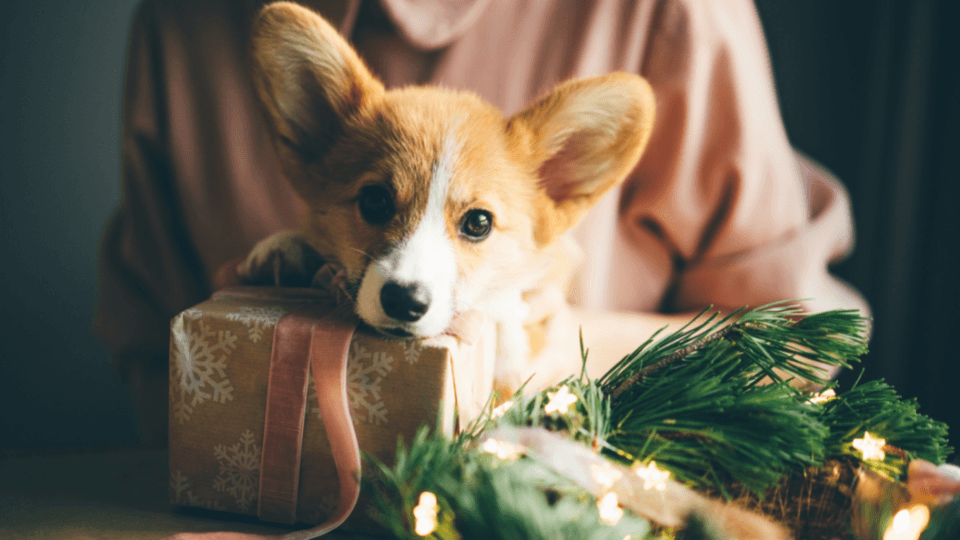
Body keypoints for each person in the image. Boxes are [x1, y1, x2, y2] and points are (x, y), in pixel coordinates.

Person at [97, 0, 870, 446]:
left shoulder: (669, 13)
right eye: (376, 204)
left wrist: (563, 345)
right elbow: (150, 351)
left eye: (473, 224)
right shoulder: (185, 19)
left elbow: (803, 343)